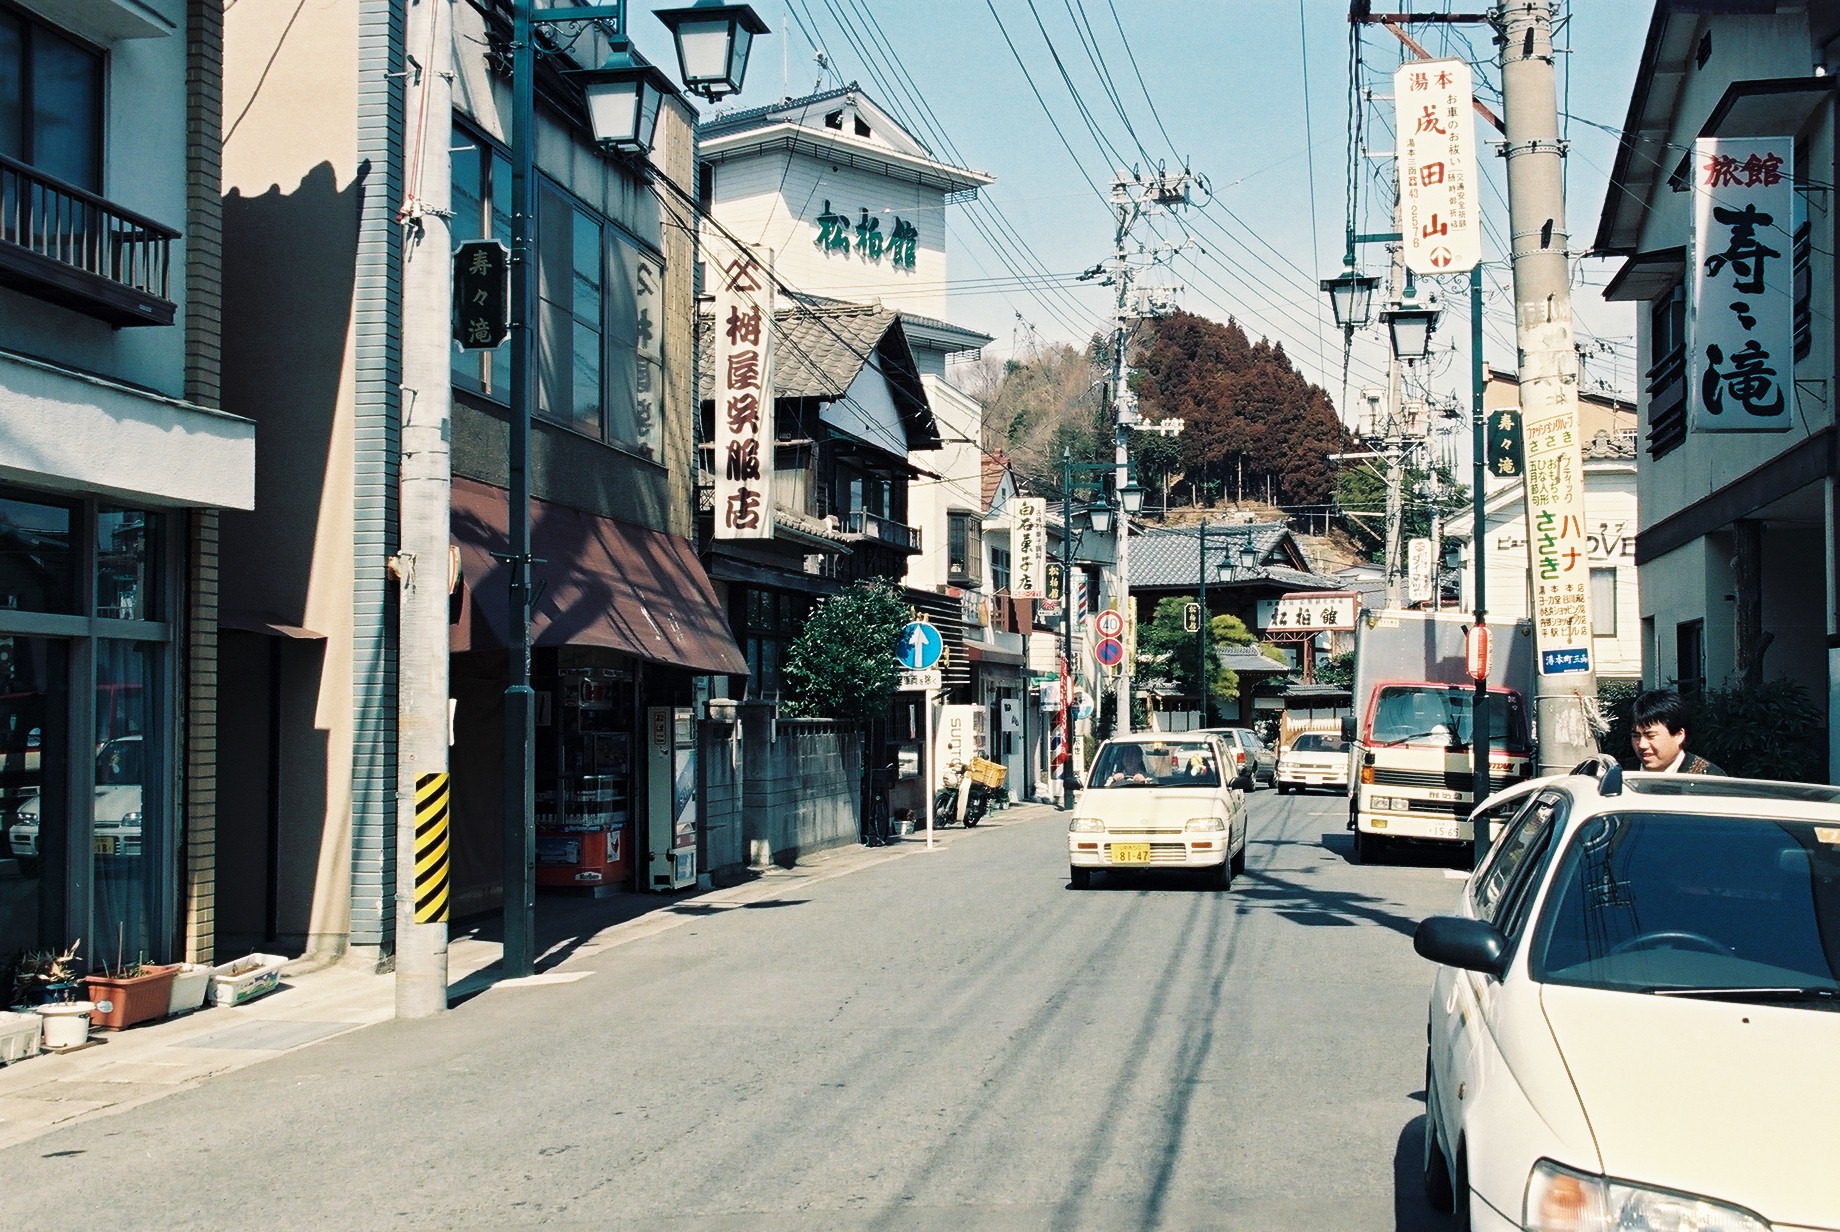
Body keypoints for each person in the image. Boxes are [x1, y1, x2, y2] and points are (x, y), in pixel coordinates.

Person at [1630, 688, 1725, 775]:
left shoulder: (1708, 778)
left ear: (1679, 735)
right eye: (1635, 736)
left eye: (1650, 735)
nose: (1642, 745)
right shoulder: (1622, 773)